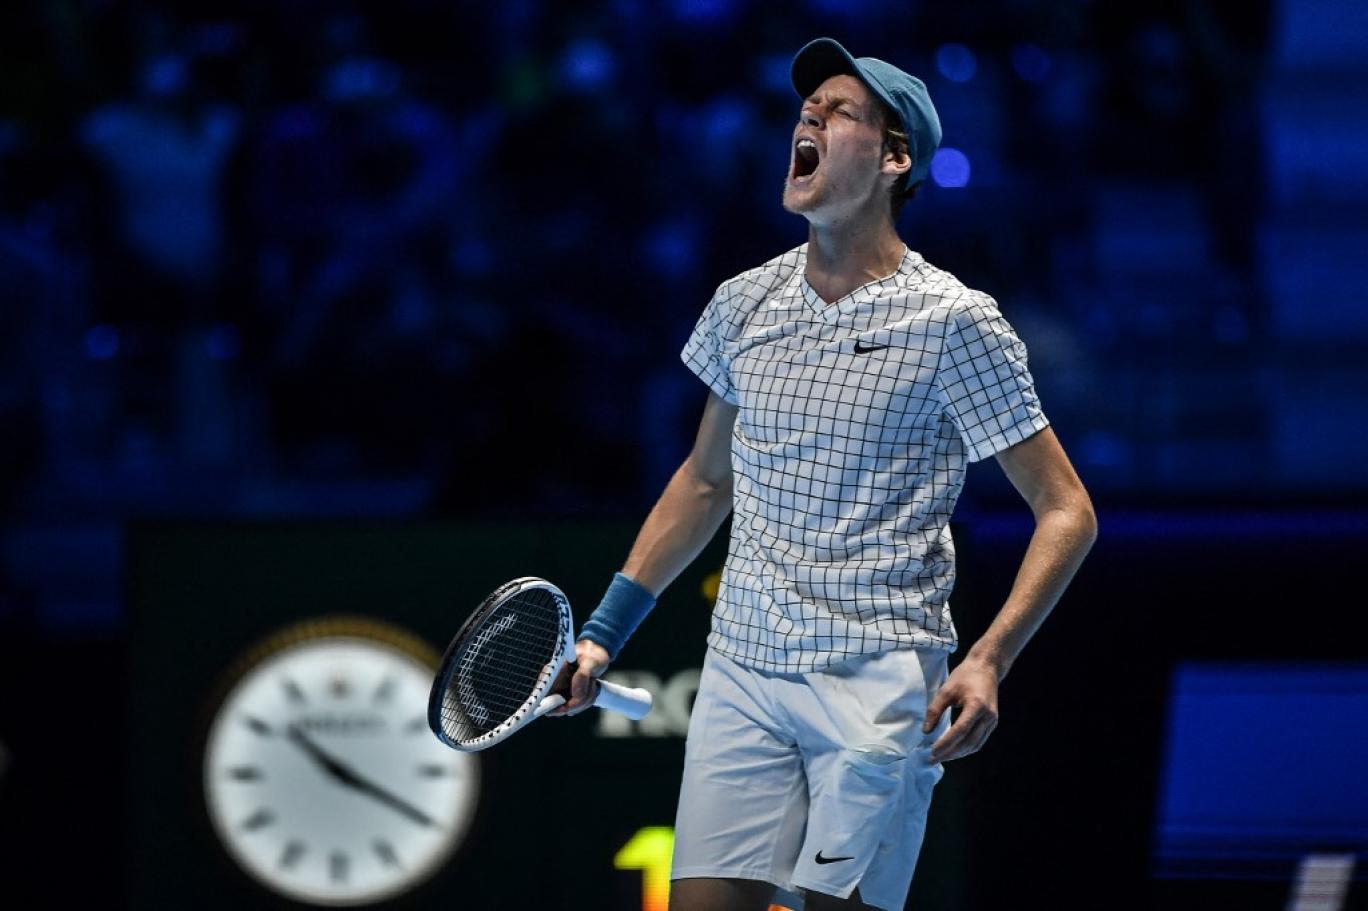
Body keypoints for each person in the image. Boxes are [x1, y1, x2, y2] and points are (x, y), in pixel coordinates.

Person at [557, 38, 1098, 911]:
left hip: (879, 679)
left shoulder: (956, 321)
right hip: (743, 667)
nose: (808, 116)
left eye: (839, 112)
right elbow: (705, 480)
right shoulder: (743, 302)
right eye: (808, 109)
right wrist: (603, 633)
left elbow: (1066, 509)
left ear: (894, 160)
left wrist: (989, 657)